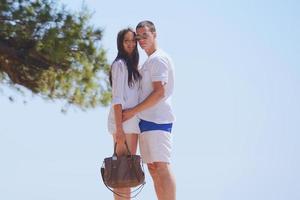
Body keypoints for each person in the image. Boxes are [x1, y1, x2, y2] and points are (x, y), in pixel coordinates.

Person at [123, 21, 176, 200]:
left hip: (158, 121)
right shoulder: (148, 61)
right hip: (145, 122)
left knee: (161, 166)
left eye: (145, 35)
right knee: (153, 168)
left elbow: (159, 92)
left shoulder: (158, 59)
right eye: (138, 37)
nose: (141, 40)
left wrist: (132, 111)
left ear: (154, 34)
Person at [107, 28, 142, 200]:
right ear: (120, 44)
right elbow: (117, 98)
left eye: (133, 41)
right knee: (122, 174)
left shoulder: (132, 66)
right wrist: (119, 129)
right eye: (126, 41)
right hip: (123, 124)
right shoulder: (119, 64)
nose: (130, 44)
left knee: (128, 174)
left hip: (132, 124)